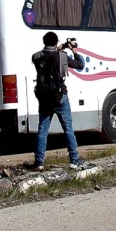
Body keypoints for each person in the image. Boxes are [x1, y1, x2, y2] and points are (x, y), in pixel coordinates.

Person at [31, 32, 86, 171]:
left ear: (44, 41)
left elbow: (48, 57)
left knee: (42, 129)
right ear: (56, 42)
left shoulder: (36, 56)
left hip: (44, 98)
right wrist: (74, 50)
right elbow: (80, 65)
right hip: (60, 97)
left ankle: (39, 162)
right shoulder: (62, 56)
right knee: (68, 128)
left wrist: (59, 48)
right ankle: (74, 160)